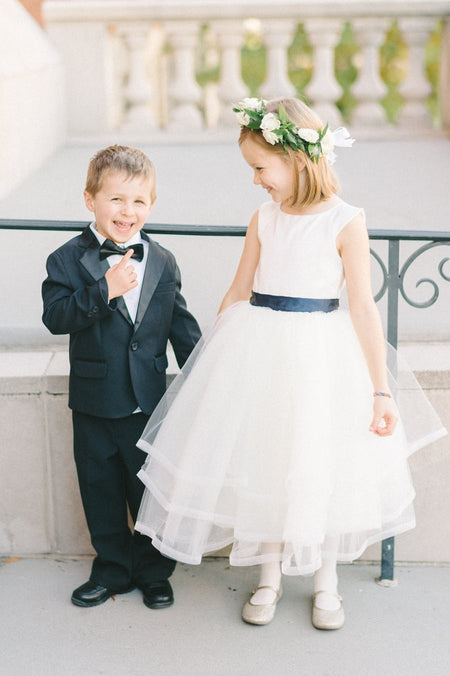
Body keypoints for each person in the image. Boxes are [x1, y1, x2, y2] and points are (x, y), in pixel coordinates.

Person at [134, 99, 446, 629]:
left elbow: (364, 308)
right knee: (268, 461)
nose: (255, 180)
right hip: (260, 353)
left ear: (297, 159)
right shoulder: (265, 218)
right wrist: (209, 369)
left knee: (320, 468)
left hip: (323, 358)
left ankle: (326, 583)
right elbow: (238, 290)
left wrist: (379, 389)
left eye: (260, 168)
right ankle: (270, 576)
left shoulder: (347, 221)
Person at [42, 145, 201, 609]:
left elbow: (180, 323)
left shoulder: (163, 260)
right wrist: (103, 291)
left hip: (148, 403)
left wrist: (202, 376)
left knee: (148, 490)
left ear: (150, 205)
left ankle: (153, 571)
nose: (127, 212)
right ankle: (112, 569)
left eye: (138, 202)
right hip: (94, 402)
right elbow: (56, 316)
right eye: (116, 199)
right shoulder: (66, 260)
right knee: (100, 489)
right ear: (90, 199)